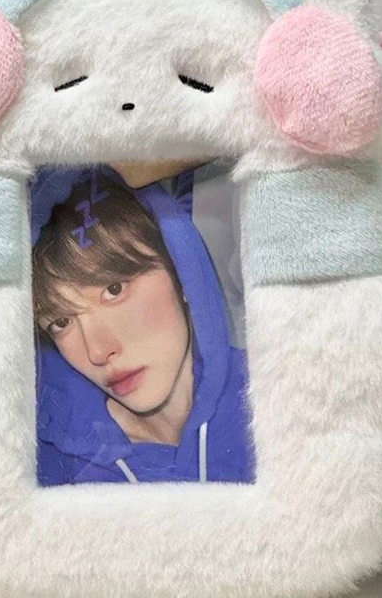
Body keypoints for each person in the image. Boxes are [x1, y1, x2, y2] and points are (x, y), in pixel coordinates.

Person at [31, 168, 255, 485]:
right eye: (61, 321)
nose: (98, 351)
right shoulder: (45, 467)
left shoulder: (284, 398)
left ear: (180, 270)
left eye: (114, 290)